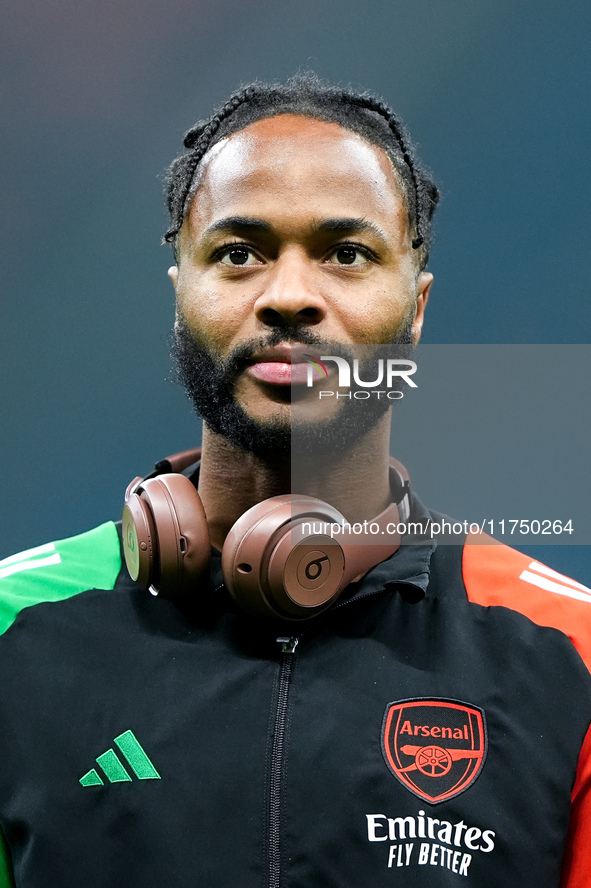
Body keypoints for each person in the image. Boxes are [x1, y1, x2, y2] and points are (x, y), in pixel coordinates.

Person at [0, 74, 590, 888]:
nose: (287, 297)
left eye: (345, 254)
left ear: (415, 309)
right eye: (238, 253)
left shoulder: (571, 655)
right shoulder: (12, 629)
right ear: (182, 296)